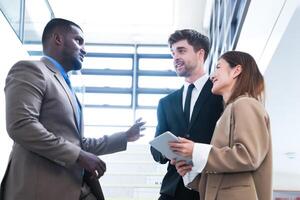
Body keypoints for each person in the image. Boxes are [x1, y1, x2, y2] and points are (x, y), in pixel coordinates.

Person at [0, 18, 145, 200]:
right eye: (79, 41)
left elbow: (78, 143)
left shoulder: (65, 85)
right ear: (58, 39)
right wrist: (78, 156)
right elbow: (21, 125)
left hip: (76, 187)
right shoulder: (31, 70)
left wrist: (125, 137)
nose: (84, 49)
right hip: (41, 190)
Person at [169, 51, 272, 200]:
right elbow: (221, 180)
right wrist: (190, 170)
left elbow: (248, 156)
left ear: (236, 70)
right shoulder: (230, 111)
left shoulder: (245, 104)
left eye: (218, 67)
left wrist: (196, 150)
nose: (212, 76)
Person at [150, 29, 223, 200]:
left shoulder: (220, 94)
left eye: (181, 51)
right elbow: (155, 150)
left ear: (200, 54)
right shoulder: (166, 103)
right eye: (173, 53)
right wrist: (168, 153)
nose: (175, 57)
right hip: (172, 190)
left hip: (208, 188)